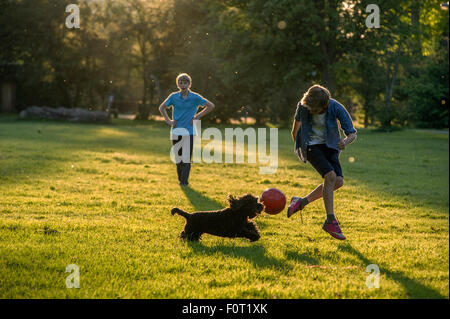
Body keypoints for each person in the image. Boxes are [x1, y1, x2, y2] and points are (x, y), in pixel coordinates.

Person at [287, 85, 357, 240]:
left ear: (325, 105)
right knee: (330, 177)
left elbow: (352, 133)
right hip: (312, 147)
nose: (312, 112)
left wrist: (345, 142)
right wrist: (302, 148)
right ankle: (330, 221)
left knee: (338, 182)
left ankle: (301, 202)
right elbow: (295, 130)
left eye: (316, 110)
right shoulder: (303, 106)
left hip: (331, 147)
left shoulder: (336, 107)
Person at [159, 73, 215, 186]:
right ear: (178, 84)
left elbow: (210, 106)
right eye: (181, 82)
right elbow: (162, 107)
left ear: (189, 84)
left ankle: (184, 183)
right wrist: (168, 121)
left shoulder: (195, 97)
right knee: (178, 158)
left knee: (186, 158)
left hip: (189, 131)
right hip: (176, 131)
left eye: (185, 82)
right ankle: (181, 179)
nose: (183, 85)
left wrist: (197, 116)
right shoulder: (173, 97)